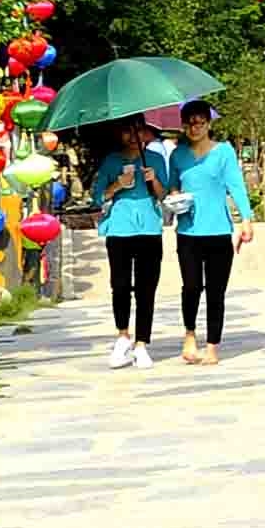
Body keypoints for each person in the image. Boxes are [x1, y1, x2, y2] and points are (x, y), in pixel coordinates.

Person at [169, 102, 254, 365]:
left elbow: (236, 187)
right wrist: (174, 197)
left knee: (216, 291)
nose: (195, 127)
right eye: (190, 123)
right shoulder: (178, 156)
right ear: (183, 125)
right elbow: (173, 186)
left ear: (209, 123)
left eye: (200, 122)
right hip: (188, 232)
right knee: (191, 287)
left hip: (218, 231)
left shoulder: (224, 152)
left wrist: (247, 220)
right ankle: (190, 334)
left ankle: (213, 346)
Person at [94, 118, 170, 369]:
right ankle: (122, 336)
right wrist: (117, 185)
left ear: (145, 133)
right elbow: (97, 195)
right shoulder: (112, 161)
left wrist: (154, 180)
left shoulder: (155, 160)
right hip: (119, 229)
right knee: (121, 285)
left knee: (146, 288)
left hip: (149, 228)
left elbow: (164, 195)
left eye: (138, 130)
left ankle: (142, 344)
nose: (133, 135)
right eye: (127, 130)